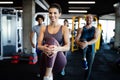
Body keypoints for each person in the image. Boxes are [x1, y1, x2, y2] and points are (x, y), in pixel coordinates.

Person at [37, 3, 70, 80]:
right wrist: (43, 48)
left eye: (55, 13)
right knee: (49, 43)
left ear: (59, 14)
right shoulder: (43, 28)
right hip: (45, 57)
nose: (52, 15)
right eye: (50, 13)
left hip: (59, 59)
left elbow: (67, 47)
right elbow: (38, 45)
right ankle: (48, 75)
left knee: (51, 40)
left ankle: (47, 76)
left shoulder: (64, 28)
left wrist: (57, 49)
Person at [75, 14, 100, 80]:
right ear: (85, 19)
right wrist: (80, 43)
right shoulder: (81, 29)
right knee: (83, 40)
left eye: (90, 18)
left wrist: (87, 43)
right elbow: (76, 39)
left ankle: (86, 78)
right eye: (87, 18)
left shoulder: (96, 29)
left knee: (89, 67)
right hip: (83, 48)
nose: (89, 19)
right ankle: (84, 58)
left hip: (91, 49)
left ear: (92, 19)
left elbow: (95, 39)